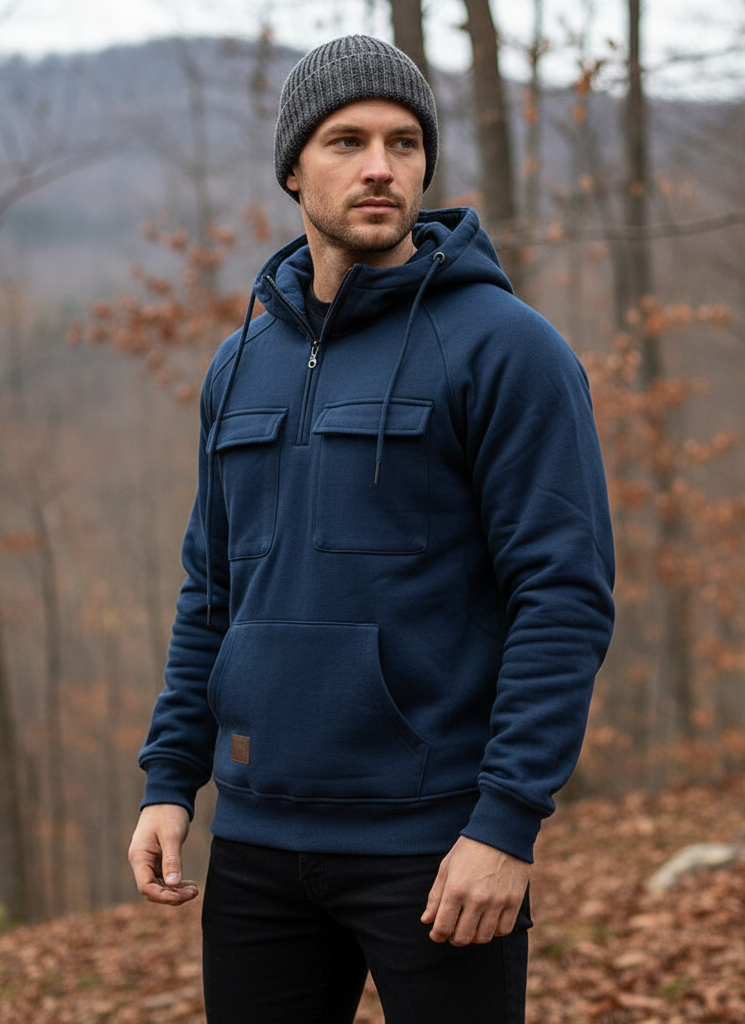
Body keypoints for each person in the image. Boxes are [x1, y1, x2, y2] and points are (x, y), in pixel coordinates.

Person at [128, 34, 614, 1024]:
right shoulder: (238, 365)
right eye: (346, 142)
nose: (380, 167)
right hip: (258, 847)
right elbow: (211, 593)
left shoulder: (507, 349)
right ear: (293, 168)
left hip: (435, 847)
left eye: (404, 142)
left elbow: (562, 596)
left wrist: (505, 823)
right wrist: (170, 778)